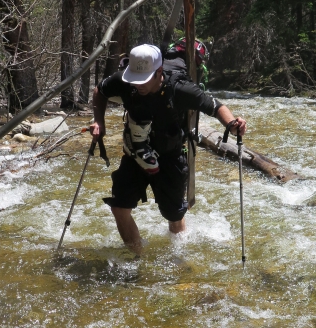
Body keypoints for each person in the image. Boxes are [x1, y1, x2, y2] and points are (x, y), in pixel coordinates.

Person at [90, 43, 246, 253]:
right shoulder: (124, 81)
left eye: (143, 80)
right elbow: (99, 91)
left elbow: (215, 106)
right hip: (135, 152)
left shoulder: (179, 89)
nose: (138, 86)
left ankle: (178, 259)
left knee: (174, 216)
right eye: (134, 80)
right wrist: (99, 122)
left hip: (170, 156)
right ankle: (138, 258)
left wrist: (232, 125)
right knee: (119, 207)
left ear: (159, 72)